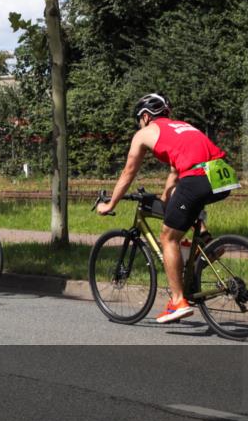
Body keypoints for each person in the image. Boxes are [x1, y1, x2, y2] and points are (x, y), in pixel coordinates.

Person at [96, 93, 239, 323]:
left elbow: (128, 172)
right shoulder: (182, 126)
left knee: (168, 237)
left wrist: (111, 203)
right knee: (186, 210)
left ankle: (177, 301)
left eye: (139, 119)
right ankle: (206, 245)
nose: (139, 124)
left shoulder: (144, 133)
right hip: (223, 176)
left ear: (145, 116)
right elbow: (175, 170)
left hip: (196, 178)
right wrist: (165, 196)